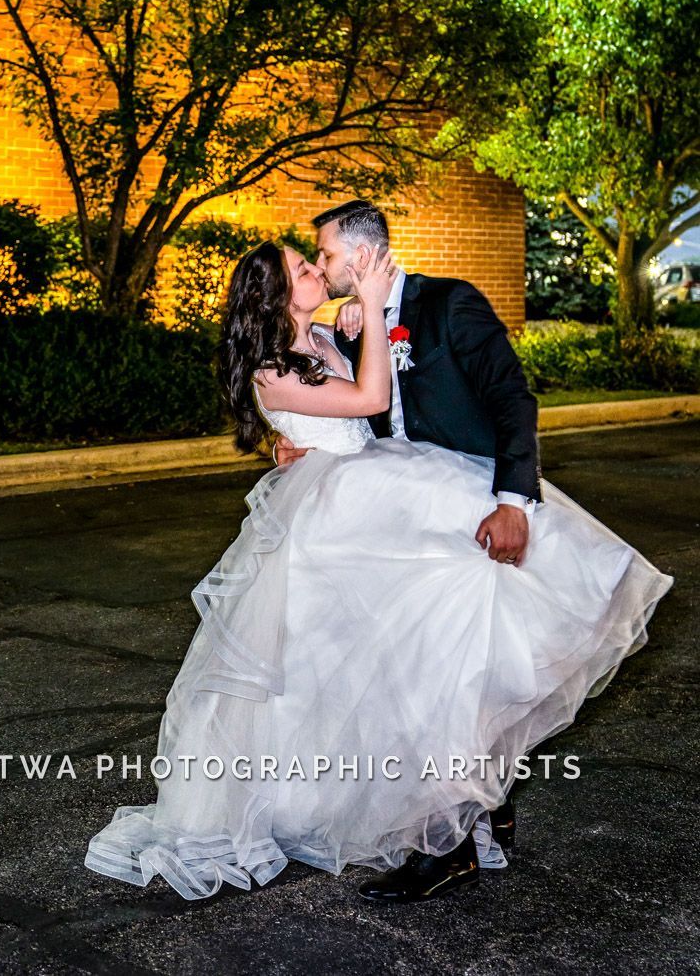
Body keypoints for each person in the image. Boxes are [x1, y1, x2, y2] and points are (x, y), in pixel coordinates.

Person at [84, 222, 673, 904]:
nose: (315, 271)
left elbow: (368, 406)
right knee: (384, 682)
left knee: (445, 655)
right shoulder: (272, 369)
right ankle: (456, 823)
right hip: (340, 525)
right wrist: (363, 297)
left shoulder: (326, 336)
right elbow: (369, 400)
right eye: (303, 267)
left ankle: (476, 801)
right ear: (277, 294)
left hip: (380, 497)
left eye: (315, 260)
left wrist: (359, 322)